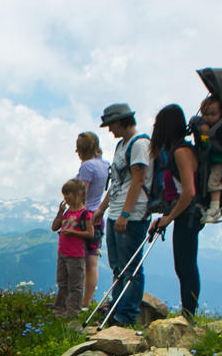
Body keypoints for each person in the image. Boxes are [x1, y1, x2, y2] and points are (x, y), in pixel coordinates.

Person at [97, 103, 151, 327]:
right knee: (117, 265)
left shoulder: (140, 144)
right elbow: (118, 182)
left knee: (131, 267)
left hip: (133, 214)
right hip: (116, 212)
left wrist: (126, 214)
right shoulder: (121, 145)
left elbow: (138, 180)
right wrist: (102, 210)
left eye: (111, 124)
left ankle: (126, 314)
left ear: (121, 121)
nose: (110, 130)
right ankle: (116, 306)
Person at [147, 105, 202, 319]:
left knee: (186, 265)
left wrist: (169, 218)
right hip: (184, 215)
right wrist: (165, 218)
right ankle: (188, 314)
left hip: (188, 216)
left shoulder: (181, 152)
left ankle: (188, 316)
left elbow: (188, 191)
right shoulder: (180, 150)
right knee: (184, 265)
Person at [51, 179, 94, 317]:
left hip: (76, 254)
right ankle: (59, 310)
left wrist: (73, 232)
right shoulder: (67, 212)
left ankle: (73, 311)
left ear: (78, 193)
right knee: (62, 283)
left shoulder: (84, 213)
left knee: (75, 285)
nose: (65, 198)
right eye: (64, 195)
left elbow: (90, 233)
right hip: (62, 252)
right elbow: (54, 227)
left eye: (68, 194)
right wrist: (60, 212)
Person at [75, 131, 109, 306]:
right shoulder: (104, 164)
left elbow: (82, 193)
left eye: (78, 147)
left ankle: (74, 301)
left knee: (77, 263)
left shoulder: (87, 166)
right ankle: (85, 303)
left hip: (83, 218)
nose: (76, 151)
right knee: (92, 263)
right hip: (97, 217)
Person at [194, 96, 222, 223]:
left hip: (219, 161)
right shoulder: (207, 128)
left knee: (213, 183)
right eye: (206, 114)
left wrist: (206, 136)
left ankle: (215, 208)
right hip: (210, 161)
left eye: (213, 114)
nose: (209, 117)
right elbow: (205, 145)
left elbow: (211, 145)